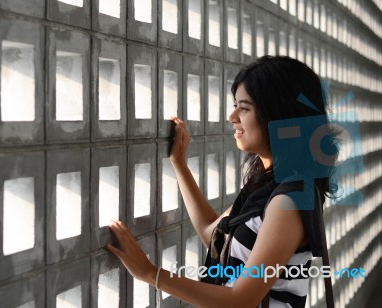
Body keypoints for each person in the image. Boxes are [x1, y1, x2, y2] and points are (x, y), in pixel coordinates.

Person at [107, 56, 338, 307]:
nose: (232, 116)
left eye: (245, 108)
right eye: (235, 105)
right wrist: (179, 164)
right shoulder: (268, 185)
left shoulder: (289, 201)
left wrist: (150, 273)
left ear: (279, 116)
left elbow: (241, 300)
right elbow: (215, 236)